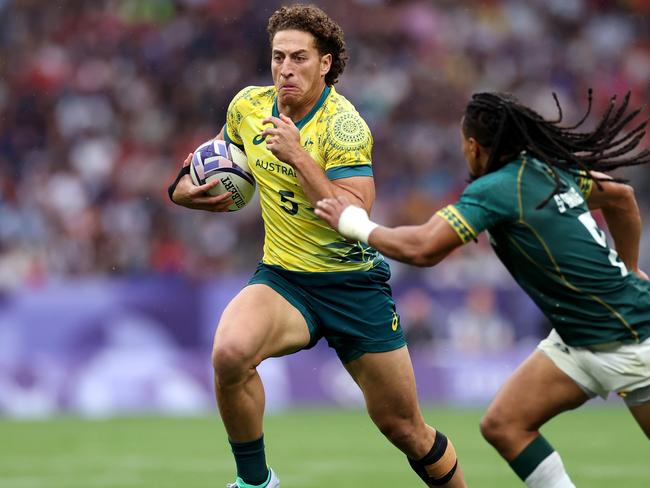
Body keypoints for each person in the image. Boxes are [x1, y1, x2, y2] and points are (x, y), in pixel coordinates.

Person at [168, 5, 467, 488]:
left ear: (324, 64)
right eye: (278, 57)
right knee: (229, 352)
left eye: (299, 58)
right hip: (285, 279)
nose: (286, 68)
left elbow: (353, 216)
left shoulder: (344, 126)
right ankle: (255, 483)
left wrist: (298, 155)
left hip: (354, 287)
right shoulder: (247, 107)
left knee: (405, 429)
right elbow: (210, 163)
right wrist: (182, 192)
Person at [315, 90, 650, 487]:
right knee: (505, 425)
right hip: (579, 337)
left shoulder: (495, 189)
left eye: (462, 143)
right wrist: (629, 268)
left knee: (506, 425)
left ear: (474, 146)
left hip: (631, 336)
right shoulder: (548, 170)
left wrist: (353, 224)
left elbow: (423, 249)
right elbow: (621, 196)